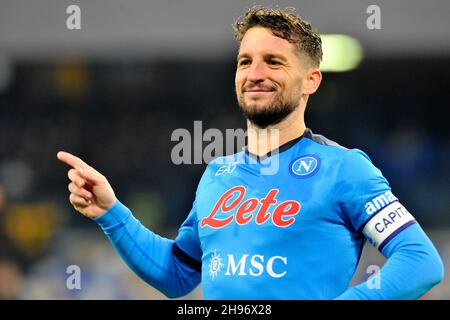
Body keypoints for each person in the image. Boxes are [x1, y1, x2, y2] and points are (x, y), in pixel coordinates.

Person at [57, 6, 444, 299]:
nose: (255, 73)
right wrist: (112, 213)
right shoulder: (216, 174)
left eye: (273, 62)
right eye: (246, 62)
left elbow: (420, 261)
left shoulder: (344, 168)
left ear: (311, 80)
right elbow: (177, 273)